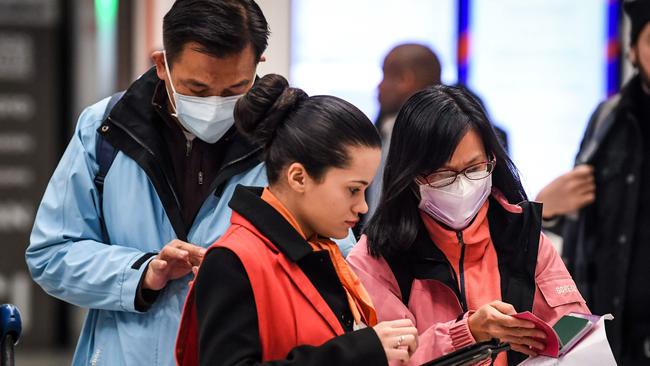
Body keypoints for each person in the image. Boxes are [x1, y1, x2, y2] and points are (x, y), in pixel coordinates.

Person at [25, 1, 353, 364]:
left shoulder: (287, 145)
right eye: (196, 89)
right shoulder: (105, 129)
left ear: (258, 64)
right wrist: (142, 271)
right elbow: (50, 254)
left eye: (234, 90)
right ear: (162, 64)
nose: (215, 104)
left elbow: (339, 264)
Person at [176, 74, 419, 365]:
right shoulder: (233, 261)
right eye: (353, 190)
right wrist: (359, 352)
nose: (363, 207)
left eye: (365, 190)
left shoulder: (321, 249)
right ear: (299, 177)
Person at [347, 85, 589, 366]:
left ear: (493, 161)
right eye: (442, 174)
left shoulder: (524, 238)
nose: (462, 186)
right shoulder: (375, 260)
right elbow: (391, 359)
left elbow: (576, 333)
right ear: (410, 175)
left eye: (474, 168)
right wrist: (467, 333)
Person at [555, 0, 650, 363]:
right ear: (632, 51)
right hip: (611, 336)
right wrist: (545, 211)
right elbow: (575, 215)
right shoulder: (606, 122)